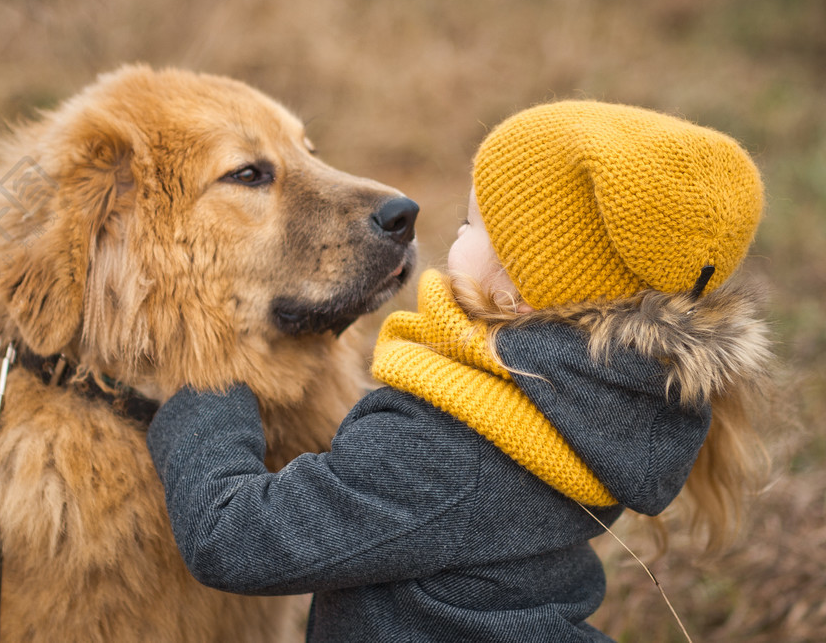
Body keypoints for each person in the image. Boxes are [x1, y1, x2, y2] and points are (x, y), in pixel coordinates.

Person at [146, 101, 774, 642]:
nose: (452, 235)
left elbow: (232, 537)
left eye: (473, 225)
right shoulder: (587, 405)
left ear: (526, 290)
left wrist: (209, 382)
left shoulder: (450, 449)